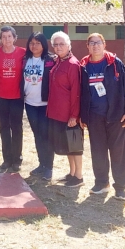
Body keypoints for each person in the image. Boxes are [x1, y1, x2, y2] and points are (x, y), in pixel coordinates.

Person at [80, 33, 125, 201]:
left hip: (116, 116)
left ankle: (120, 188)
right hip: (94, 117)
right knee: (98, 151)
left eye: (98, 42)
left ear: (104, 44)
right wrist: (83, 115)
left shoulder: (115, 63)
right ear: (87, 46)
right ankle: (101, 183)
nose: (95, 46)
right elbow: (81, 93)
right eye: (92, 43)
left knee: (118, 152)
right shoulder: (83, 66)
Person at [47, 31, 83, 187]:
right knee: (68, 145)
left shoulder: (73, 64)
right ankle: (72, 173)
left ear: (69, 45)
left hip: (70, 113)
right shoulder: (58, 61)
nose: (58, 47)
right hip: (59, 112)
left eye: (61, 44)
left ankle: (79, 176)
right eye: (55, 44)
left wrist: (74, 115)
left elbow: (76, 92)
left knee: (74, 145)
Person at [23, 32, 56, 181]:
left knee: (46, 135)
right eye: (31, 43)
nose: (34, 46)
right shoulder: (25, 59)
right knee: (37, 135)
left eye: (37, 43)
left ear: (43, 44)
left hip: (45, 104)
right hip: (30, 103)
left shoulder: (51, 60)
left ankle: (49, 167)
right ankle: (41, 164)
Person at [0, 26, 25, 172]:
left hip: (17, 96)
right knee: (4, 127)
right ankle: (7, 159)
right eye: (4, 37)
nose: (7, 39)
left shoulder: (23, 52)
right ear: (0, 39)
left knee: (17, 127)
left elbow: (40, 54)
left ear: (14, 38)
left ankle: (17, 159)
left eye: (9, 36)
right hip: (0, 96)